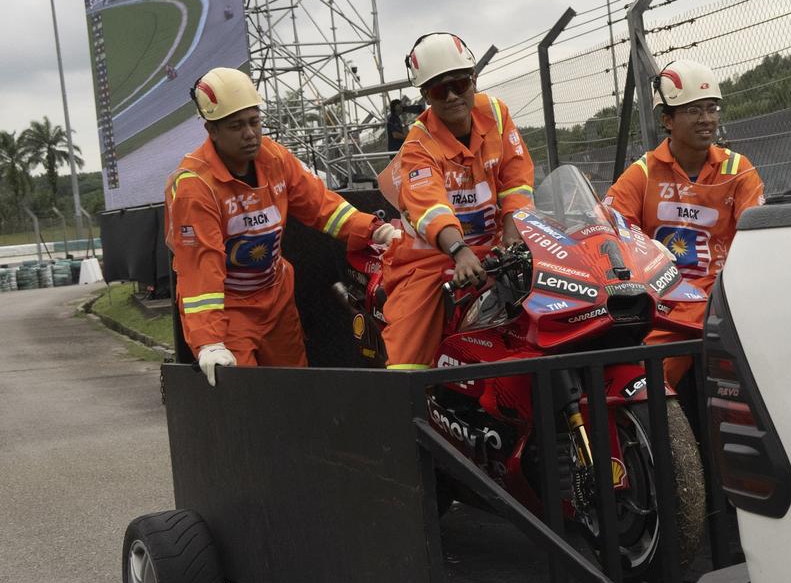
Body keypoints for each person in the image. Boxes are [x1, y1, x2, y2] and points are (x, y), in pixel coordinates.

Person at [166, 67, 399, 386]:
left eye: (254, 121)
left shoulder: (273, 158)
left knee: (294, 390)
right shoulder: (195, 187)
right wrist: (209, 342)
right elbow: (199, 270)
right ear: (212, 131)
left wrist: (375, 229)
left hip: (276, 300)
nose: (249, 133)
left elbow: (321, 205)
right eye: (236, 126)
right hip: (230, 309)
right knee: (243, 395)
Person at [376, 33, 535, 369]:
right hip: (431, 259)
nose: (451, 96)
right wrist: (459, 251)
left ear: (473, 79)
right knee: (408, 355)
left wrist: (513, 234)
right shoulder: (418, 144)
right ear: (425, 97)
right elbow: (429, 205)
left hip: (496, 249)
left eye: (459, 84)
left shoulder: (497, 113)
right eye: (437, 90)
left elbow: (516, 180)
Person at [605, 59, 765, 385]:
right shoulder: (644, 172)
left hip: (726, 300)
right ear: (667, 120)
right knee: (645, 387)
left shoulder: (738, 169)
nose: (707, 119)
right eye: (693, 111)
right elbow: (611, 229)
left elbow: (759, 240)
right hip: (666, 306)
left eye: (712, 108)